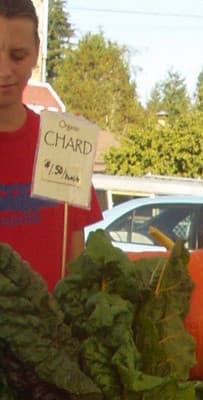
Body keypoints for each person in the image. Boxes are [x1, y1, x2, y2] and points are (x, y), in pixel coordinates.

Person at [0, 0, 102, 290]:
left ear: (36, 53)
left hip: (49, 333)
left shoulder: (63, 143)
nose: (4, 70)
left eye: (17, 56)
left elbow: (76, 257)